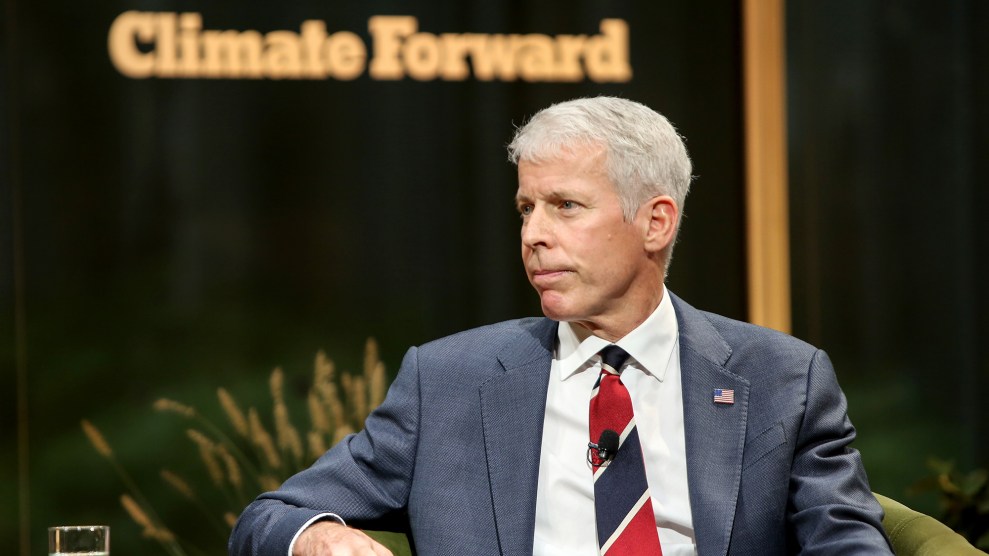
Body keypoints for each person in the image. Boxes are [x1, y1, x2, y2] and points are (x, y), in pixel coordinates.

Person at [229, 97, 893, 555]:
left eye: (564, 206)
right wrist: (318, 536)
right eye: (525, 208)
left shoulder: (780, 379)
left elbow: (847, 542)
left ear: (655, 221)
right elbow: (267, 520)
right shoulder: (448, 383)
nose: (532, 235)